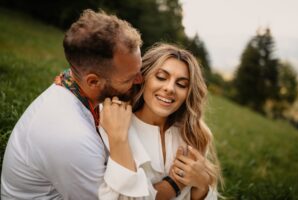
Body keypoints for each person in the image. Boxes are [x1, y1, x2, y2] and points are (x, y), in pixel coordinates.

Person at [1, 9, 151, 199]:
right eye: (130, 78)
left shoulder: (75, 86)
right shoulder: (71, 136)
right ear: (93, 82)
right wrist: (119, 140)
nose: (140, 79)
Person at [98, 43, 222, 199]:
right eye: (161, 77)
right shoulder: (115, 123)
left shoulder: (191, 136)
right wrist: (176, 183)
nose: (170, 88)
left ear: (187, 93)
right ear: (142, 78)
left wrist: (202, 186)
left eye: (181, 84)